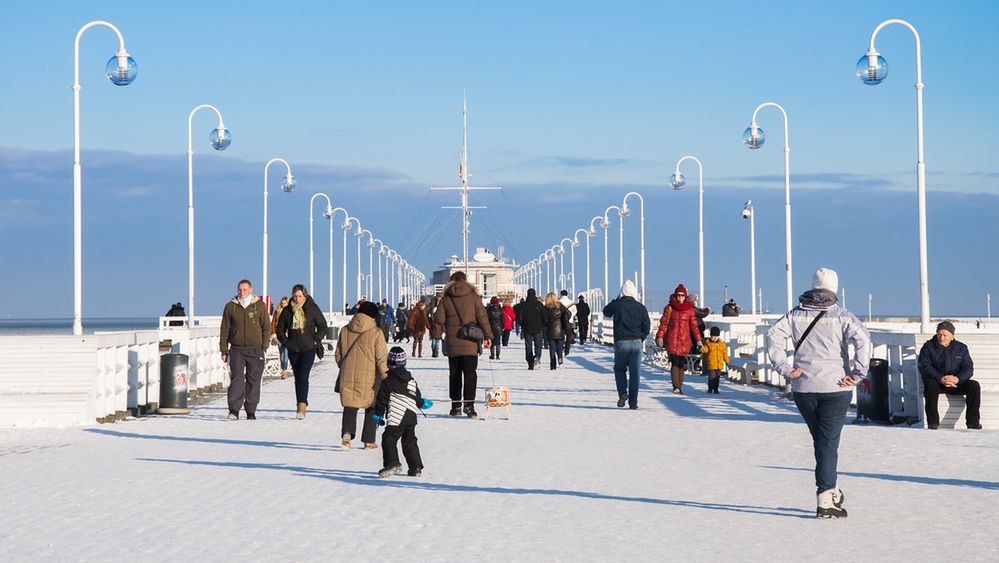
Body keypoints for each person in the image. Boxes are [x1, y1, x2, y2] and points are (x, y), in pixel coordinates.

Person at [766, 267, 870, 519]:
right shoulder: (843, 316)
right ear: (834, 288)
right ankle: (826, 498)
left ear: (813, 286)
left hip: (804, 388)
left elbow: (772, 336)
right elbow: (864, 340)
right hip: (836, 387)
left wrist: (785, 369)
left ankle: (830, 490)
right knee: (827, 443)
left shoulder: (794, 315)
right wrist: (857, 373)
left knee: (822, 442)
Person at [431, 271, 493, 417]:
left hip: (453, 342)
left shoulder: (446, 298)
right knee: (470, 374)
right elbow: (482, 317)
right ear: (466, 281)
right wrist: (488, 336)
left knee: (454, 374)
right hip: (470, 342)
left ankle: (456, 406)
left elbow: (439, 319)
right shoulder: (473, 297)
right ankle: (469, 406)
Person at [336, 301, 388, 450]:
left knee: (350, 403)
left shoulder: (345, 330)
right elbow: (381, 359)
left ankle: (347, 434)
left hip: (347, 373)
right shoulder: (376, 332)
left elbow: (338, 354)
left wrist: (345, 367)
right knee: (371, 405)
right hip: (370, 377)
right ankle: (369, 440)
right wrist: (386, 376)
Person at [373, 347, 430, 478]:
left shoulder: (387, 382)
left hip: (397, 417)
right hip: (410, 417)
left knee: (389, 438)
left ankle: (393, 463)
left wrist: (378, 415)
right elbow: (417, 397)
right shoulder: (411, 380)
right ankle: (415, 467)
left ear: (388, 363)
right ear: (404, 363)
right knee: (409, 441)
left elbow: (382, 400)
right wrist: (422, 403)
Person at [219, 279, 271, 420]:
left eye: (245, 289)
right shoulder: (230, 307)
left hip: (255, 349)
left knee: (254, 380)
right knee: (236, 379)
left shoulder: (259, 306)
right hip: (236, 349)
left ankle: (251, 410)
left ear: (251, 290)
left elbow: (266, 327)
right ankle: (234, 410)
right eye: (239, 289)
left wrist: (264, 347)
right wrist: (224, 350)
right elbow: (225, 329)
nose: (242, 292)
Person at [275, 285, 327, 419]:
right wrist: (286, 343)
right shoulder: (287, 311)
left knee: (303, 376)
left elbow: (322, 326)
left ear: (305, 295)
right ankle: (300, 404)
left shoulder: (312, 308)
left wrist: (316, 341)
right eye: (295, 296)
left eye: (300, 296)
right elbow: (279, 329)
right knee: (298, 378)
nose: (297, 299)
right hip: (293, 349)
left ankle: (302, 406)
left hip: (308, 348)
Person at [917, 321, 981, 430]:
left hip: (956, 383)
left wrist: (957, 379)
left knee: (974, 386)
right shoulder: (928, 347)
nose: (941, 338)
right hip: (937, 382)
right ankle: (933, 423)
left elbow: (968, 368)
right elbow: (925, 366)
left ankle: (973, 423)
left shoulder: (961, 348)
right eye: (939, 334)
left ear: (952, 336)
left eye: (944, 335)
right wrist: (940, 378)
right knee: (930, 384)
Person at [602, 280, 650, 409]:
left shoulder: (618, 305)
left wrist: (616, 300)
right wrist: (641, 338)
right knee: (635, 374)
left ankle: (623, 393)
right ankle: (633, 403)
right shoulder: (641, 307)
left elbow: (606, 311)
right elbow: (647, 326)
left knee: (619, 369)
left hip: (621, 342)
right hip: (636, 342)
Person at [655, 284, 702, 394]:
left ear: (685, 296)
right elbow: (663, 323)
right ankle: (676, 386)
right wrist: (660, 336)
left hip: (684, 340)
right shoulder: (669, 308)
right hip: (672, 339)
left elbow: (694, 327)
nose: (680, 297)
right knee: (675, 363)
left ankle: (679, 384)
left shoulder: (689, 310)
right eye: (678, 295)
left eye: (682, 295)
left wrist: (699, 340)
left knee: (682, 364)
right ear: (675, 295)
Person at [517, 289, 547, 370]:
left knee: (528, 346)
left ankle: (530, 362)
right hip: (538, 328)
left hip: (527, 328)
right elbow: (544, 316)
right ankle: (537, 357)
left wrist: (522, 324)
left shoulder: (524, 305)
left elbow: (520, 317)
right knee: (538, 345)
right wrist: (543, 325)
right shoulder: (539, 304)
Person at [544, 292, 571, 370]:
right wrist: (564, 321)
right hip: (560, 330)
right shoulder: (560, 306)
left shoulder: (546, 308)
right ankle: (560, 358)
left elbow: (544, 320)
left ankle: (553, 365)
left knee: (552, 348)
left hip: (550, 331)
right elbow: (568, 313)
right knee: (559, 346)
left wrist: (547, 324)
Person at [703, 326, 730, 394]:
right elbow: (705, 350)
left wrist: (727, 361)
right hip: (711, 363)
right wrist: (701, 348)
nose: (715, 338)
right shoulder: (708, 343)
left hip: (719, 364)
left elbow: (724, 353)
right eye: (713, 336)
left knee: (717, 378)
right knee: (712, 377)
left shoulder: (721, 344)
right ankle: (710, 388)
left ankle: (716, 389)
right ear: (711, 336)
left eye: (716, 336)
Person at [271, 296, 291, 379]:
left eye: (285, 303)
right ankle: (283, 369)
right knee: (281, 353)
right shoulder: (277, 311)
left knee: (285, 352)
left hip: (286, 335)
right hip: (279, 335)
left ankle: (284, 370)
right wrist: (273, 334)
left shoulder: (290, 312)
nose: (283, 305)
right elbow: (273, 323)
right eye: (282, 303)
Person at [559, 290, 577, 356]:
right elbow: (575, 311)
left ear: (561, 294)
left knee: (561, 336)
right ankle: (567, 350)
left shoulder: (558, 302)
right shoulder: (571, 302)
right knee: (568, 336)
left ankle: (561, 347)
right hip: (569, 321)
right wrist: (571, 316)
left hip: (560, 322)